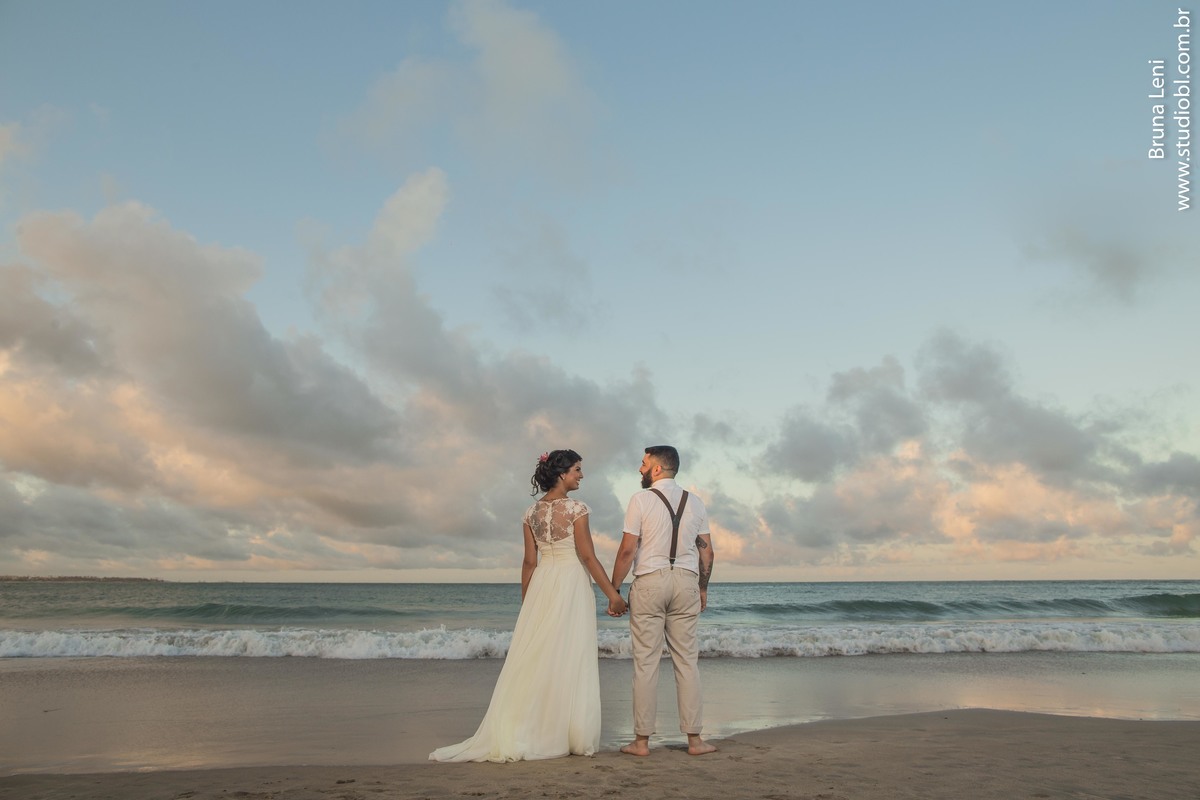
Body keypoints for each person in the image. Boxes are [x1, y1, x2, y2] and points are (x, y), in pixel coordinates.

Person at [429, 449, 627, 762]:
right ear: (562, 473)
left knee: (540, 657)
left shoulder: (530, 513)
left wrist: (528, 601)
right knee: (569, 654)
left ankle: (532, 728)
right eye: (577, 469)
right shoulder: (577, 509)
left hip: (542, 584)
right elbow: (588, 557)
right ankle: (567, 734)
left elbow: (529, 561)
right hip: (571, 582)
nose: (581, 475)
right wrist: (613, 595)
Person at [610, 445, 716, 757]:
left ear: (656, 469)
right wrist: (703, 588)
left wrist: (614, 590)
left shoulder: (640, 500)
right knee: (687, 662)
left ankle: (641, 742)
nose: (639, 469)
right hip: (685, 581)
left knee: (646, 663)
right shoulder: (695, 502)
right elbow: (707, 551)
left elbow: (628, 550)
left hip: (651, 581)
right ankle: (695, 741)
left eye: (643, 464)